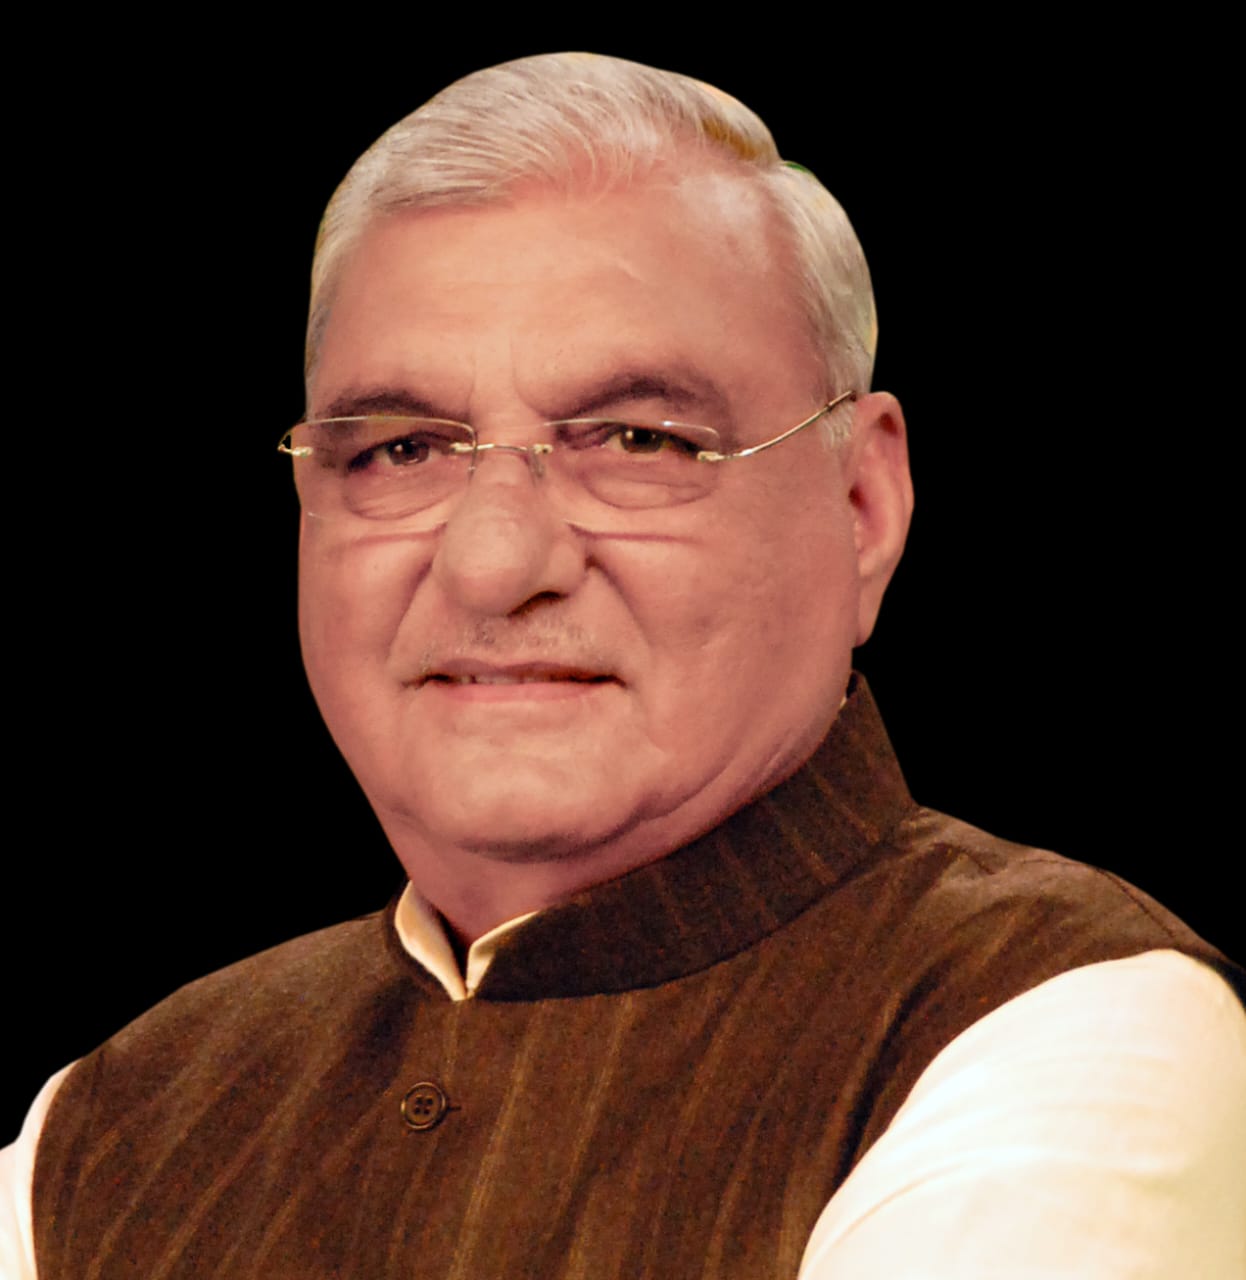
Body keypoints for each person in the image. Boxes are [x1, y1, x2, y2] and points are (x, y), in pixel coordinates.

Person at [4, 52, 1244, 1278]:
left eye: (637, 440)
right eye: (401, 450)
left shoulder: (1066, 1028)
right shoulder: (107, 1126)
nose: (491, 562)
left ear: (861, 506)